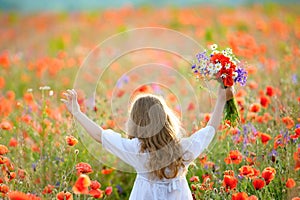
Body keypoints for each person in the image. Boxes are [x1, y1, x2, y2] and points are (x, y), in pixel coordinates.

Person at [61, 86, 233, 200]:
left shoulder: (136, 151)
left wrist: (77, 112)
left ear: (136, 122)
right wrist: (221, 100)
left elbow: (100, 135)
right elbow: (209, 130)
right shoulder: (182, 149)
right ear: (165, 119)